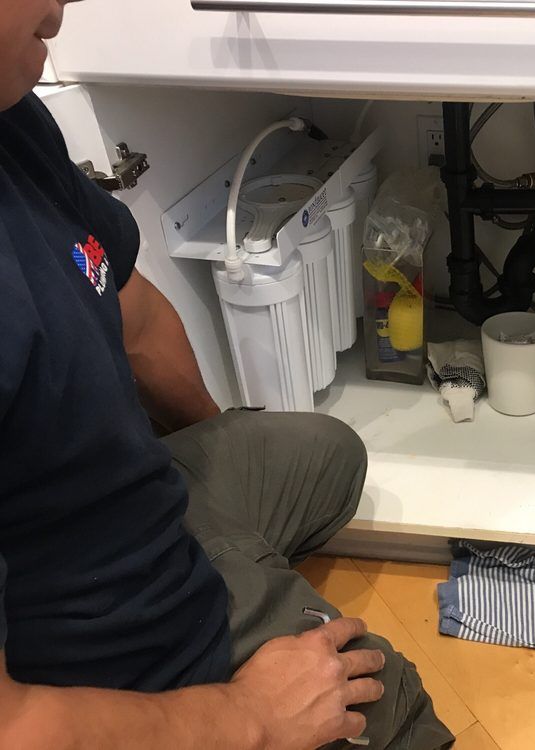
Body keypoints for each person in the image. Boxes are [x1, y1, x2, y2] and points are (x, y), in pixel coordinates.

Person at [0, 2, 455, 748]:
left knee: (330, 456)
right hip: (107, 652)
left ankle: (228, 557)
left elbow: (135, 315)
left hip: (119, 510)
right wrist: (252, 715)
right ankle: (236, 597)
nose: (58, 7)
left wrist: (208, 464)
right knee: (388, 702)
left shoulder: (12, 119)